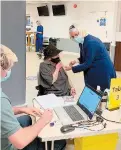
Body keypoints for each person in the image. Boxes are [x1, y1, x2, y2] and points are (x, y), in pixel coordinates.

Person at [0, 45, 66, 150]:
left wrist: (20, 109)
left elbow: (2, 112)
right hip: (8, 146)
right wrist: (43, 120)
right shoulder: (1, 100)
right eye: (7, 69)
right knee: (59, 142)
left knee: (27, 119)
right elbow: (20, 141)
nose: (8, 73)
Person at [65, 25, 116, 91]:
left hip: (103, 69)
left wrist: (72, 68)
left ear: (81, 32)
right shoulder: (82, 42)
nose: (75, 37)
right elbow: (85, 56)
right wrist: (76, 61)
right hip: (95, 67)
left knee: (102, 91)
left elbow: (87, 63)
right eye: (72, 36)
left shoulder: (90, 42)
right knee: (92, 89)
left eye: (76, 34)